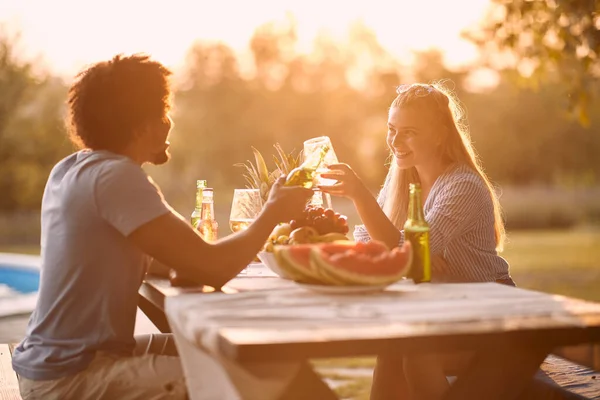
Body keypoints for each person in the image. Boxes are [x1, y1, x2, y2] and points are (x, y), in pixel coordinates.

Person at [12, 54, 337, 400]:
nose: (169, 122)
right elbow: (213, 268)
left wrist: (192, 260)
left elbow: (178, 261)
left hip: (60, 361)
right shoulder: (116, 177)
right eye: (162, 111)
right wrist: (273, 210)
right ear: (139, 124)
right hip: (75, 376)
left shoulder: (72, 169)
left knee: (250, 354)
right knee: (273, 379)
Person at [320, 82, 515, 399]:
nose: (395, 141)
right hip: (444, 307)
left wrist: (360, 196)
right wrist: (414, 255)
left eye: (408, 131)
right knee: (394, 348)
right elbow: (378, 245)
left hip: (490, 311)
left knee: (416, 354)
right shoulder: (401, 177)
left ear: (439, 134)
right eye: (391, 129)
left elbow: (405, 254)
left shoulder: (461, 186)